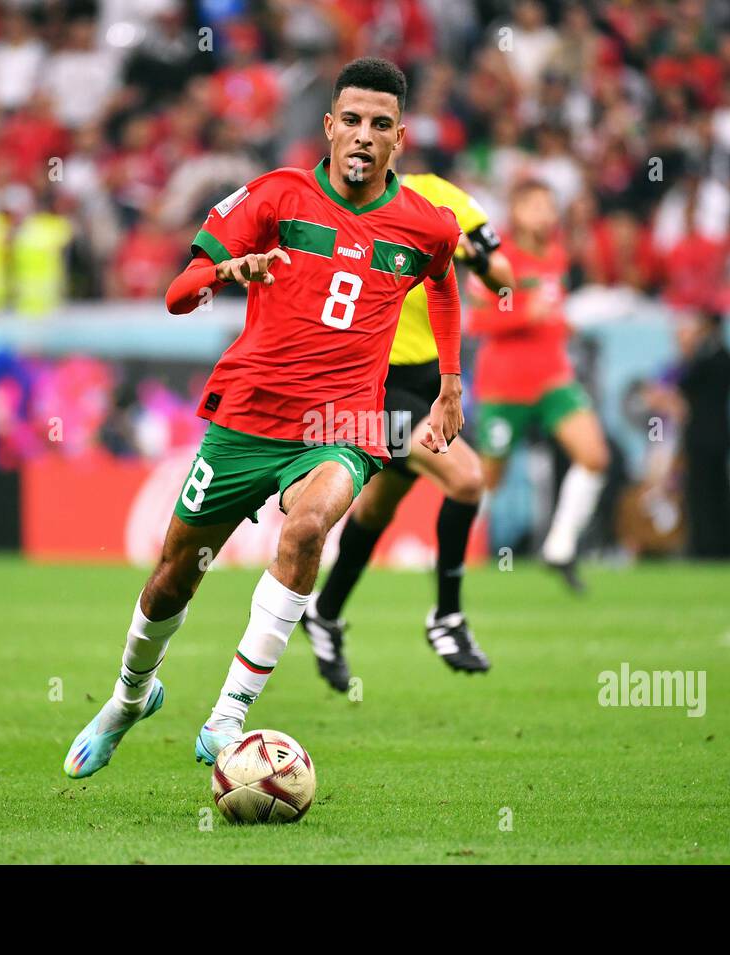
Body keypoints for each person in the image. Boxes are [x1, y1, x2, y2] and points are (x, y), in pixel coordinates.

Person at [63, 58, 465, 777]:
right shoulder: (278, 196)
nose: (364, 136)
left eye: (380, 124)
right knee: (172, 576)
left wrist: (450, 383)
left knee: (308, 527)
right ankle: (129, 698)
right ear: (328, 127)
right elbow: (177, 293)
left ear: (399, 137)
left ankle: (228, 717)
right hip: (248, 419)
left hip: (341, 426)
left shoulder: (424, 225)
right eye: (351, 121)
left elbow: (443, 281)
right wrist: (227, 272)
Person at [300, 169, 514, 689]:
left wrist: (473, 255)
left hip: (428, 377)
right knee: (466, 479)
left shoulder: (442, 197)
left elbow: (505, 280)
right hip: (372, 381)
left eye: (382, 128)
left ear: (398, 136)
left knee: (377, 507)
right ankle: (447, 617)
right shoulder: (338, 205)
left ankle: (323, 614)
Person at [469, 179, 609, 591]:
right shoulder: (497, 257)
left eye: (549, 205)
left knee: (594, 456)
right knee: (489, 478)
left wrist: (564, 323)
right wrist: (525, 313)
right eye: (533, 205)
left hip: (552, 378)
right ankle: (450, 548)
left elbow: (552, 313)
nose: (544, 213)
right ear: (515, 212)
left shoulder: (558, 256)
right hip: (504, 384)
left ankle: (560, 547)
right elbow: (477, 321)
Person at [675, 310, 730, 558]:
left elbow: (684, 382)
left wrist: (690, 352)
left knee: (702, 496)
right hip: (720, 437)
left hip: (702, 439)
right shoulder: (729, 359)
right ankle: (719, 548)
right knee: (716, 495)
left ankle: (706, 548)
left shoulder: (707, 360)